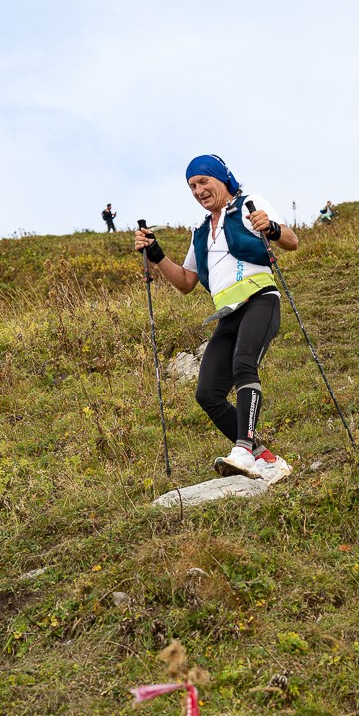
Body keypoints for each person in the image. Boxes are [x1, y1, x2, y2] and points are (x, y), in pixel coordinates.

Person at [134, 154, 298, 482]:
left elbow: (291, 241)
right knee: (207, 394)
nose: (198, 190)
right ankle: (264, 458)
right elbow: (185, 282)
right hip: (227, 315)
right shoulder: (199, 231)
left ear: (221, 178)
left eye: (204, 181)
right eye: (192, 186)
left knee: (243, 366)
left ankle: (243, 448)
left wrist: (273, 227)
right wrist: (156, 255)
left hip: (260, 300)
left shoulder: (248, 203)